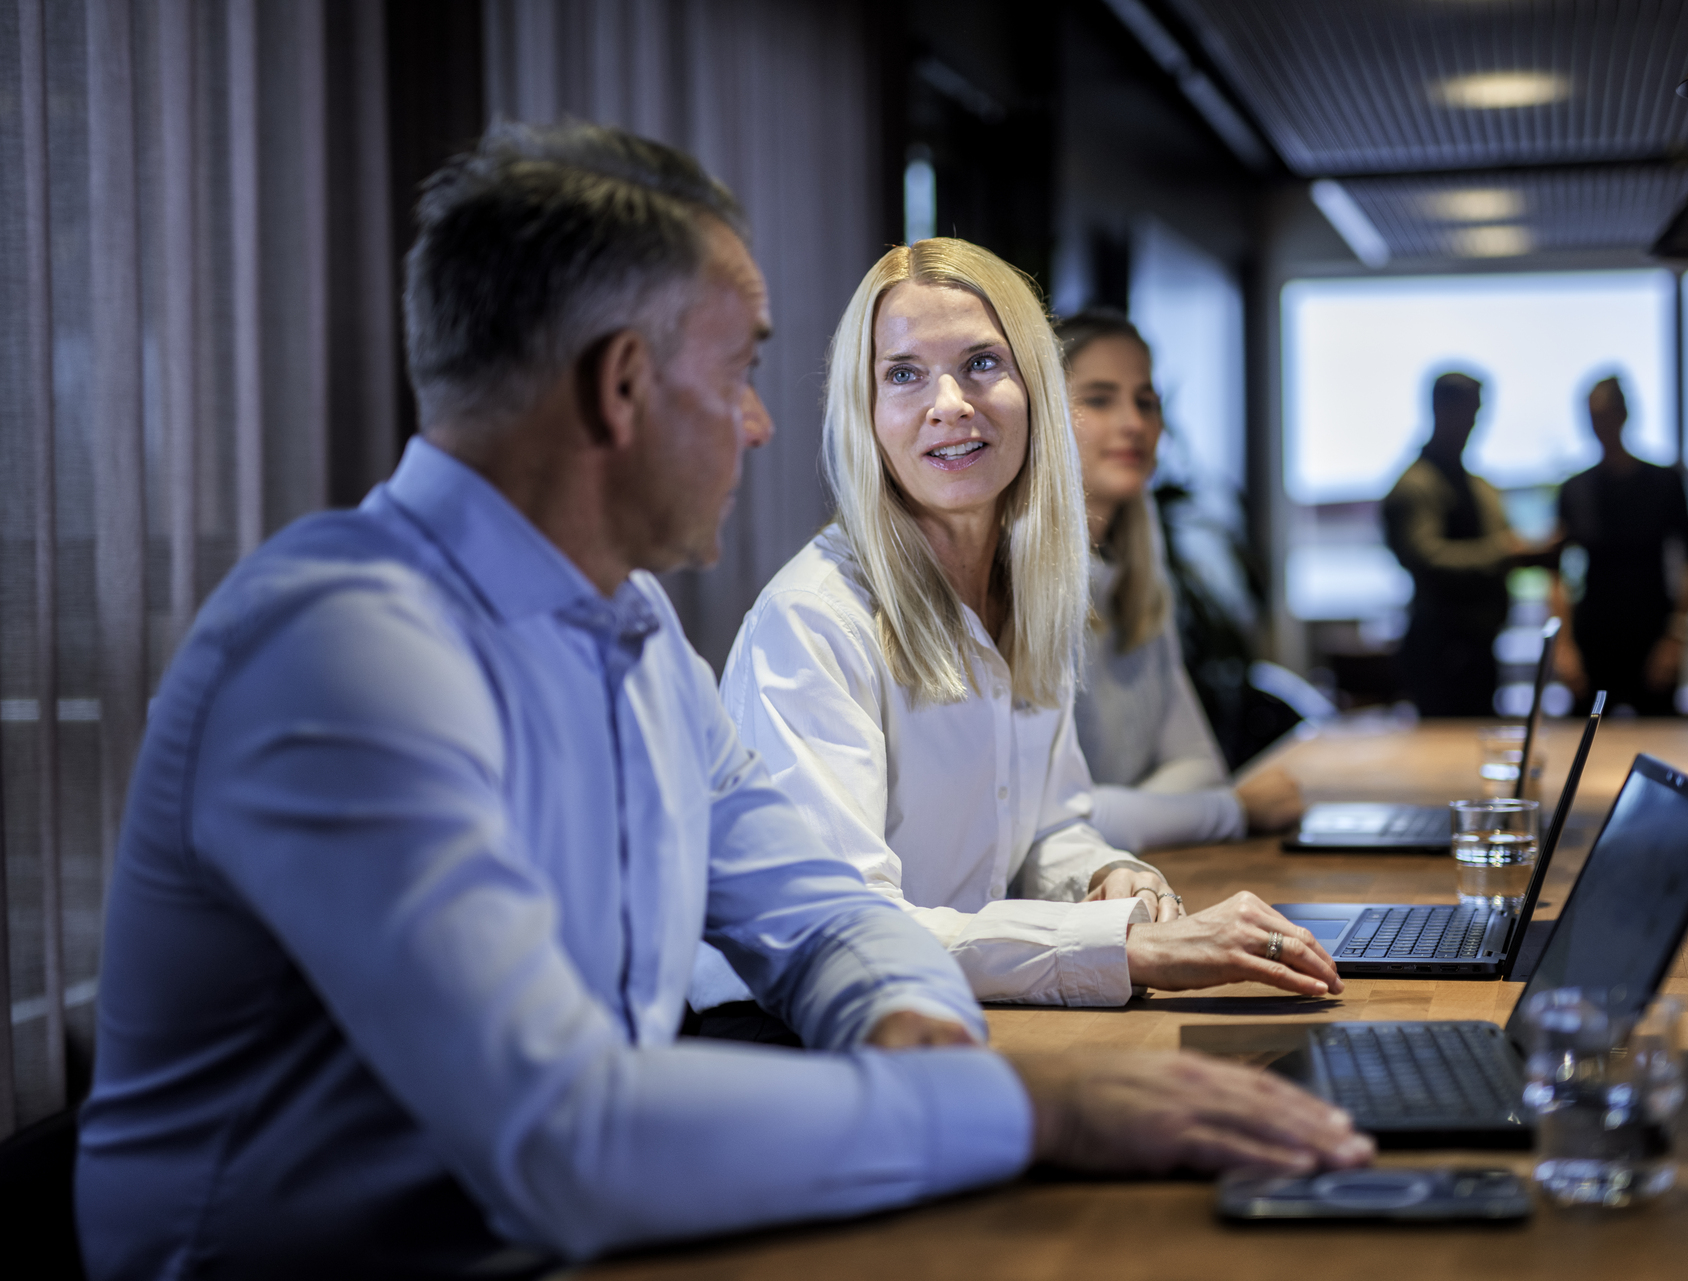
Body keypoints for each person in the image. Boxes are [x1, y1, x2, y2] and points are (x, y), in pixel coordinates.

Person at [74, 125, 1371, 1280]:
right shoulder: (342, 649)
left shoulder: (634, 636)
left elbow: (820, 905)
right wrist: (1041, 1114)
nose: (761, 426)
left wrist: (908, 1018)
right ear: (621, 386)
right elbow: (562, 1133)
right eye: (741, 370)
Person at [704, 238, 1345, 1012]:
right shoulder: (811, 619)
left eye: (981, 363)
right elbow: (847, 929)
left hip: (954, 1014)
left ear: (1035, 389)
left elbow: (1049, 829)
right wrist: (1129, 945)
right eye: (904, 373)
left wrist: (1103, 874)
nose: (950, 402)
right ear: (865, 412)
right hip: (792, 1040)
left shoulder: (1031, 591)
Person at [1055, 309, 1303, 851]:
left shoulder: (1137, 580)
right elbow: (1057, 825)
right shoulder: (1018, 592)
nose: (1134, 423)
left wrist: (1140, 812)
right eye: (1099, 398)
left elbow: (1198, 765)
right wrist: (1231, 810)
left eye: (1146, 401)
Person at [1381, 371, 1538, 716]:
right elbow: (1426, 558)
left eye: (1477, 414)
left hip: (1480, 645)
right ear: (1440, 409)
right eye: (1468, 413)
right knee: (1443, 755)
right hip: (1440, 650)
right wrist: (1504, 552)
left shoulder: (1476, 485)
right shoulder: (1415, 486)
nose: (1474, 425)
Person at [1549, 376, 1688, 716]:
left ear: (1624, 414)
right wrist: (1564, 646)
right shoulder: (1575, 490)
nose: (1600, 425)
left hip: (1651, 637)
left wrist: (1675, 639)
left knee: (1660, 746)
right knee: (1584, 746)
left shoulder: (1664, 483)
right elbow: (1556, 572)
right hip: (1593, 641)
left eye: (1606, 415)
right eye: (1592, 417)